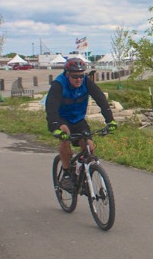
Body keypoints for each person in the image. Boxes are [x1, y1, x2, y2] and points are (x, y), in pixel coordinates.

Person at [46, 58, 115, 190]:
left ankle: (83, 173)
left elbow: (101, 100)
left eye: (81, 76)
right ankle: (66, 174)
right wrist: (55, 127)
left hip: (78, 119)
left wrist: (110, 120)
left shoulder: (86, 82)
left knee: (89, 147)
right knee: (65, 134)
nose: (78, 79)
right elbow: (51, 108)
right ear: (67, 74)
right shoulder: (58, 85)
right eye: (75, 76)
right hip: (61, 119)